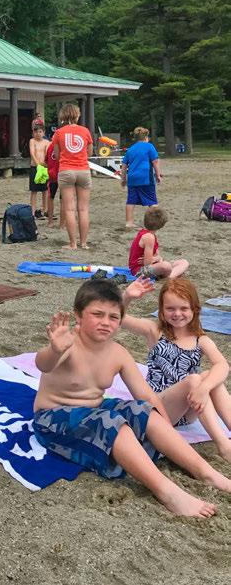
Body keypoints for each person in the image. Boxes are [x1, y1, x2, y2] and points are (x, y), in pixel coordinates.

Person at [32, 278, 231, 517]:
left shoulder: (118, 353)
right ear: (78, 315)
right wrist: (54, 349)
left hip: (95, 408)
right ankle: (167, 491)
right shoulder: (68, 345)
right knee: (114, 423)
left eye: (113, 317)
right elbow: (43, 364)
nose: (105, 322)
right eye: (97, 314)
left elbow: (146, 396)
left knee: (143, 410)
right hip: (52, 418)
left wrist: (166, 431)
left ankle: (207, 473)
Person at [122, 277, 231, 461]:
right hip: (157, 408)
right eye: (170, 308)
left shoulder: (200, 340)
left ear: (194, 309)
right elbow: (118, 318)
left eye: (183, 308)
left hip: (187, 411)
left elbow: (222, 365)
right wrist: (127, 296)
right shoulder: (155, 331)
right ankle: (224, 445)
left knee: (208, 376)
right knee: (195, 379)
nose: (177, 313)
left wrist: (204, 388)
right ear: (162, 310)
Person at [51, 103, 93, 249]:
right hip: (83, 170)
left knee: (69, 209)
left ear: (63, 116)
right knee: (83, 209)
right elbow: (89, 153)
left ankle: (72, 244)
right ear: (77, 115)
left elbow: (56, 155)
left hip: (66, 170)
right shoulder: (85, 131)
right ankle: (84, 243)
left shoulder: (58, 133)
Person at [128, 207, 189, 280]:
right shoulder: (149, 237)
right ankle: (169, 277)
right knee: (166, 266)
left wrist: (156, 258)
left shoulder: (149, 234)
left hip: (152, 266)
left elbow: (158, 256)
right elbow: (147, 264)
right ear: (161, 225)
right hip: (138, 271)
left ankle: (170, 274)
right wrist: (156, 259)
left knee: (184, 262)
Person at [121, 127, 161, 228]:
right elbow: (155, 161)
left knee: (131, 201)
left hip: (132, 179)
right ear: (146, 137)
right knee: (152, 201)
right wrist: (158, 175)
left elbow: (124, 166)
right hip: (145, 178)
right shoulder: (149, 146)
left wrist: (123, 179)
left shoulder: (131, 149)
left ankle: (129, 222)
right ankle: (156, 221)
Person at [29, 126, 49, 219]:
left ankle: (44, 210)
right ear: (33, 133)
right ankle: (33, 212)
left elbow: (47, 154)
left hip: (44, 168)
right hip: (35, 167)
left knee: (45, 190)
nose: (38, 134)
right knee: (34, 190)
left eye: (40, 132)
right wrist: (38, 165)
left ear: (43, 133)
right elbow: (32, 153)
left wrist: (44, 164)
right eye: (36, 132)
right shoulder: (32, 141)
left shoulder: (47, 142)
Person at [45, 136, 61, 228]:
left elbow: (46, 161)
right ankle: (62, 223)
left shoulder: (50, 146)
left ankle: (50, 222)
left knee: (50, 197)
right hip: (63, 174)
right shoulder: (64, 145)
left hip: (53, 175)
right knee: (63, 199)